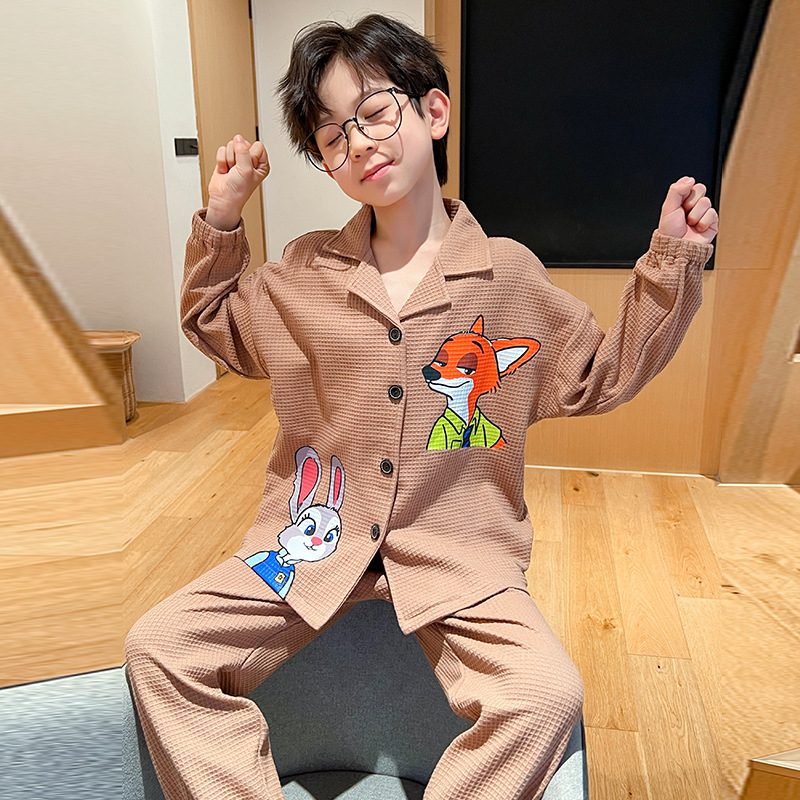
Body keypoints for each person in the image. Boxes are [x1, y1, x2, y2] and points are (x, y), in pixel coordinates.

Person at [125, 12, 718, 800]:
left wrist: (672, 262)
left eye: (374, 112)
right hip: (311, 540)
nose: (358, 143)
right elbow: (215, 325)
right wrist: (223, 218)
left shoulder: (506, 275)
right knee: (159, 648)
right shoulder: (304, 271)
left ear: (432, 112)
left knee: (546, 695)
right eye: (332, 136)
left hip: (462, 552)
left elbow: (599, 373)